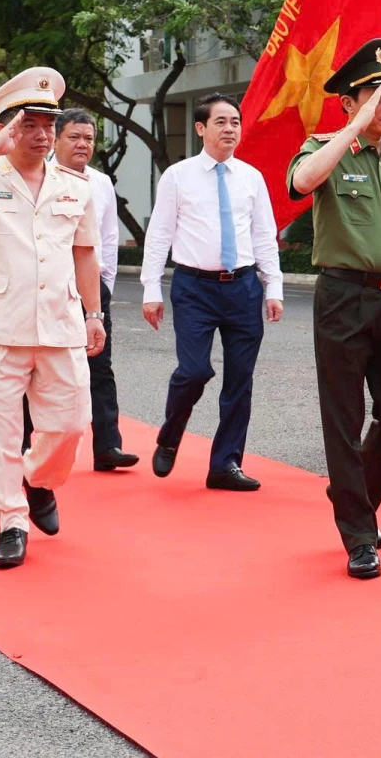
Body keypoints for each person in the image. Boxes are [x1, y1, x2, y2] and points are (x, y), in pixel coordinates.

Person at [288, 38, 381, 580]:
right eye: (377, 93)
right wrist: (353, 130)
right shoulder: (323, 148)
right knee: (345, 417)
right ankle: (358, 534)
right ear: (348, 103)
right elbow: (302, 183)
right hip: (343, 299)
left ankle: (355, 499)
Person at [0, 67, 106, 570]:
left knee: (73, 420)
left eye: (46, 126)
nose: (40, 135)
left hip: (59, 321)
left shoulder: (75, 187)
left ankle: (37, 480)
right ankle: (8, 524)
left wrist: (94, 313)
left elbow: (85, 253)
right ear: (7, 127)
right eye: (28, 125)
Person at [139, 93, 283, 492]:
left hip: (242, 288)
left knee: (240, 379)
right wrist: (151, 288)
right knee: (194, 370)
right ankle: (170, 434)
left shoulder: (252, 178)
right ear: (201, 128)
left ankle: (225, 464)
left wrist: (274, 287)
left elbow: (264, 236)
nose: (230, 129)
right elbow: (160, 235)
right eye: (220, 122)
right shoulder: (178, 176)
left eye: (235, 122)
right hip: (194, 288)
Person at [52, 110, 133, 471]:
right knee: (40, 367)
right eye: (74, 137)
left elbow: (108, 239)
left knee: (99, 365)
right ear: (56, 140)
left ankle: (108, 446)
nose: (83, 144)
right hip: (50, 282)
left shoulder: (100, 183)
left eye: (88, 138)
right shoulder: (41, 176)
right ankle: (24, 449)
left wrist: (104, 287)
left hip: (92, 286)